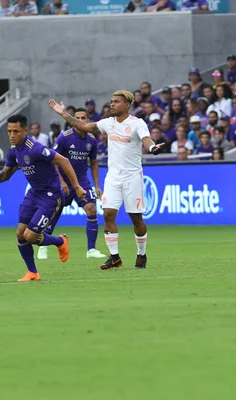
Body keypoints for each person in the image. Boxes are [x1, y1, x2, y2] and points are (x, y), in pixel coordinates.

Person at [49, 90, 164, 270]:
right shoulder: (107, 123)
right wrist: (63, 113)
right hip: (113, 177)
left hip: (132, 177)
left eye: (116, 102)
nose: (112, 104)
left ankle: (141, 254)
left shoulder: (137, 123)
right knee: (108, 214)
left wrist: (153, 147)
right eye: (111, 101)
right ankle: (115, 257)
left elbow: (147, 140)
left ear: (127, 105)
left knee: (136, 219)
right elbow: (83, 125)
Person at [0, 114, 85, 282]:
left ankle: (60, 241)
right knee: (20, 234)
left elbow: (64, 161)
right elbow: (5, 175)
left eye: (16, 131)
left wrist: (77, 187)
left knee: (30, 236)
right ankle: (33, 273)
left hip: (51, 196)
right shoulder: (14, 151)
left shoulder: (35, 148)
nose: (12, 135)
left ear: (25, 130)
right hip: (34, 193)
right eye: (9, 131)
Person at [37, 107, 106, 260]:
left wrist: (96, 186)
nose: (81, 120)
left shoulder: (92, 140)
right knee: (54, 211)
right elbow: (53, 160)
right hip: (63, 180)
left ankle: (91, 250)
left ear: (88, 120)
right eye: (78, 118)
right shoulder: (64, 137)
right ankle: (43, 245)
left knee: (91, 209)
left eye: (84, 118)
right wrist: (61, 181)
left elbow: (94, 164)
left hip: (82, 180)